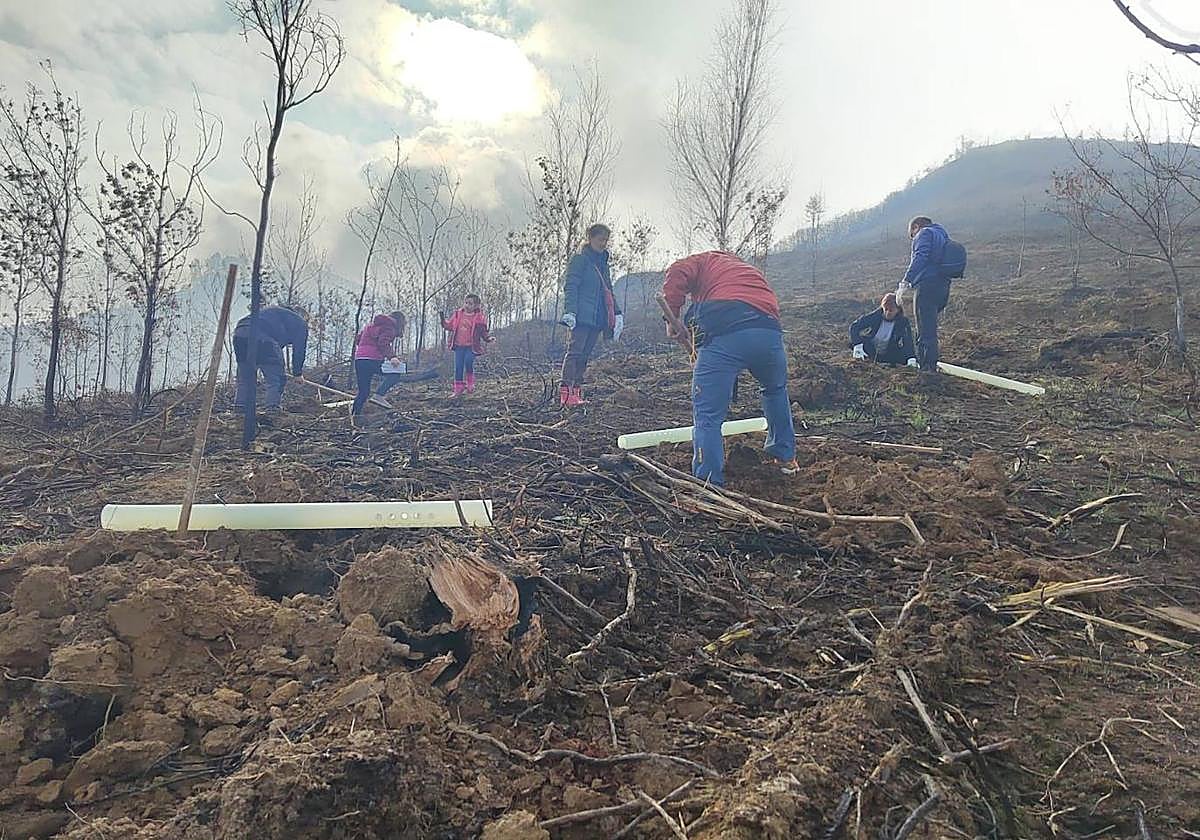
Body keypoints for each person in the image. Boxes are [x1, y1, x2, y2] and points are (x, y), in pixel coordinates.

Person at [661, 251, 798, 487]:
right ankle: (785, 458)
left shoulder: (703, 261)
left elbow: (677, 272)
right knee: (775, 390)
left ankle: (709, 482)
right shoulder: (746, 270)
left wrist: (672, 315)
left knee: (707, 414)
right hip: (769, 332)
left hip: (725, 333)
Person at [560, 223, 624, 407]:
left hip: (598, 318)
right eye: (600, 239)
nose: (603, 243)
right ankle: (565, 393)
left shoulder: (603, 264)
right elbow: (571, 286)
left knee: (585, 355)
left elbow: (609, 291)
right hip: (581, 317)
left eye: (606, 240)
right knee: (574, 353)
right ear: (590, 238)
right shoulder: (580, 260)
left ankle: (577, 392)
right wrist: (570, 311)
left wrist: (617, 313)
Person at [897, 216, 952, 372]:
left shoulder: (924, 233)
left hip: (927, 285)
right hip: (943, 286)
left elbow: (920, 257)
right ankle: (930, 364)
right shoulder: (942, 234)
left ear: (916, 227)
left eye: (912, 235)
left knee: (924, 328)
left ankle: (927, 368)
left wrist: (906, 281)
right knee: (930, 326)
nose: (913, 238)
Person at [233, 304, 309, 412]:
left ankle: (240, 409)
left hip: (240, 333)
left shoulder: (276, 313)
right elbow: (299, 350)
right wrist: (297, 373)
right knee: (276, 379)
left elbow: (277, 345)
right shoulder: (300, 322)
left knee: (245, 377)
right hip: (263, 338)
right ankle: (272, 409)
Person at [351, 311, 405, 418]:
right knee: (396, 373)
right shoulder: (390, 327)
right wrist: (392, 357)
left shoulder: (370, 326)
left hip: (359, 360)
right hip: (372, 359)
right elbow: (383, 343)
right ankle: (379, 395)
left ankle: (354, 416)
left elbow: (358, 339)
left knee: (363, 392)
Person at [441, 293, 494, 396]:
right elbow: (449, 326)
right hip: (458, 345)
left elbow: (483, 332)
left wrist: (488, 338)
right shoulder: (458, 314)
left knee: (468, 361)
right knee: (458, 367)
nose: (467, 305)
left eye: (470, 304)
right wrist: (443, 321)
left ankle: (470, 382)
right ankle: (458, 389)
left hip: (471, 346)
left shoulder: (479, 318)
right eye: (466, 303)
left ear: (476, 306)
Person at [849, 292, 918, 367]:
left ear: (898, 310)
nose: (887, 312)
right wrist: (858, 346)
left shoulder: (902, 322)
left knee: (905, 357)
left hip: (890, 352)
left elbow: (907, 340)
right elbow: (855, 326)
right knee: (856, 344)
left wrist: (911, 358)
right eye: (886, 309)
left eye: (891, 310)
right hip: (871, 349)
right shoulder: (876, 315)